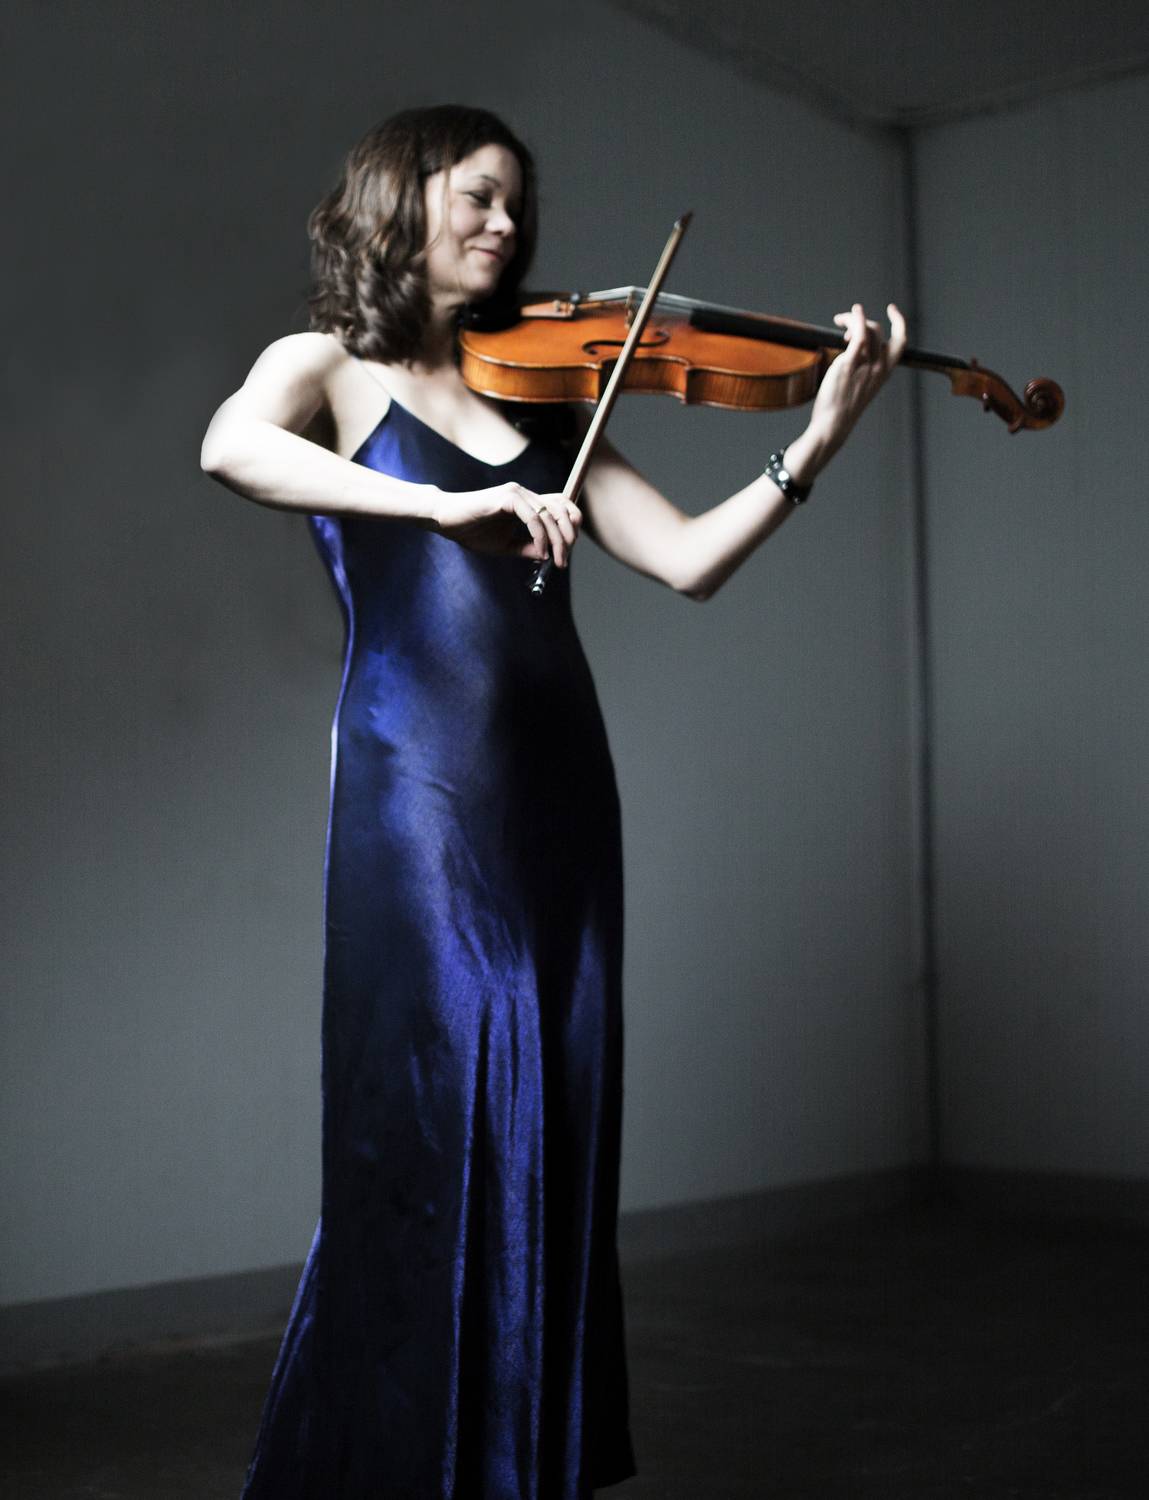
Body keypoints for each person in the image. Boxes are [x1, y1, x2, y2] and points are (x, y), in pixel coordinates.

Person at [200, 104, 906, 1500]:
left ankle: (515, 1465)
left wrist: (814, 440)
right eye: (477, 195)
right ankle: (385, 1463)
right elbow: (232, 449)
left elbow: (689, 561)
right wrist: (438, 510)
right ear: (402, 199)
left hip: (559, 791)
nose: (505, 225)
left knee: (555, 1110)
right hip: (417, 791)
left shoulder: (546, 401)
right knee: (442, 1104)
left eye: (516, 203)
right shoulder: (325, 365)